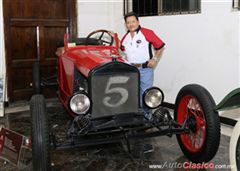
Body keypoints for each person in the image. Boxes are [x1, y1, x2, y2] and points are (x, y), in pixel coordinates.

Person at [120, 12, 165, 120]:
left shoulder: (147, 33)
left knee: (146, 95)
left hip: (145, 69)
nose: (131, 24)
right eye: (128, 22)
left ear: (138, 22)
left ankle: (147, 120)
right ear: (126, 24)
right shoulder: (125, 37)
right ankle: (135, 119)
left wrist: (155, 59)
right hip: (130, 70)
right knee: (131, 94)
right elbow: (121, 50)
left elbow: (161, 46)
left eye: (133, 21)